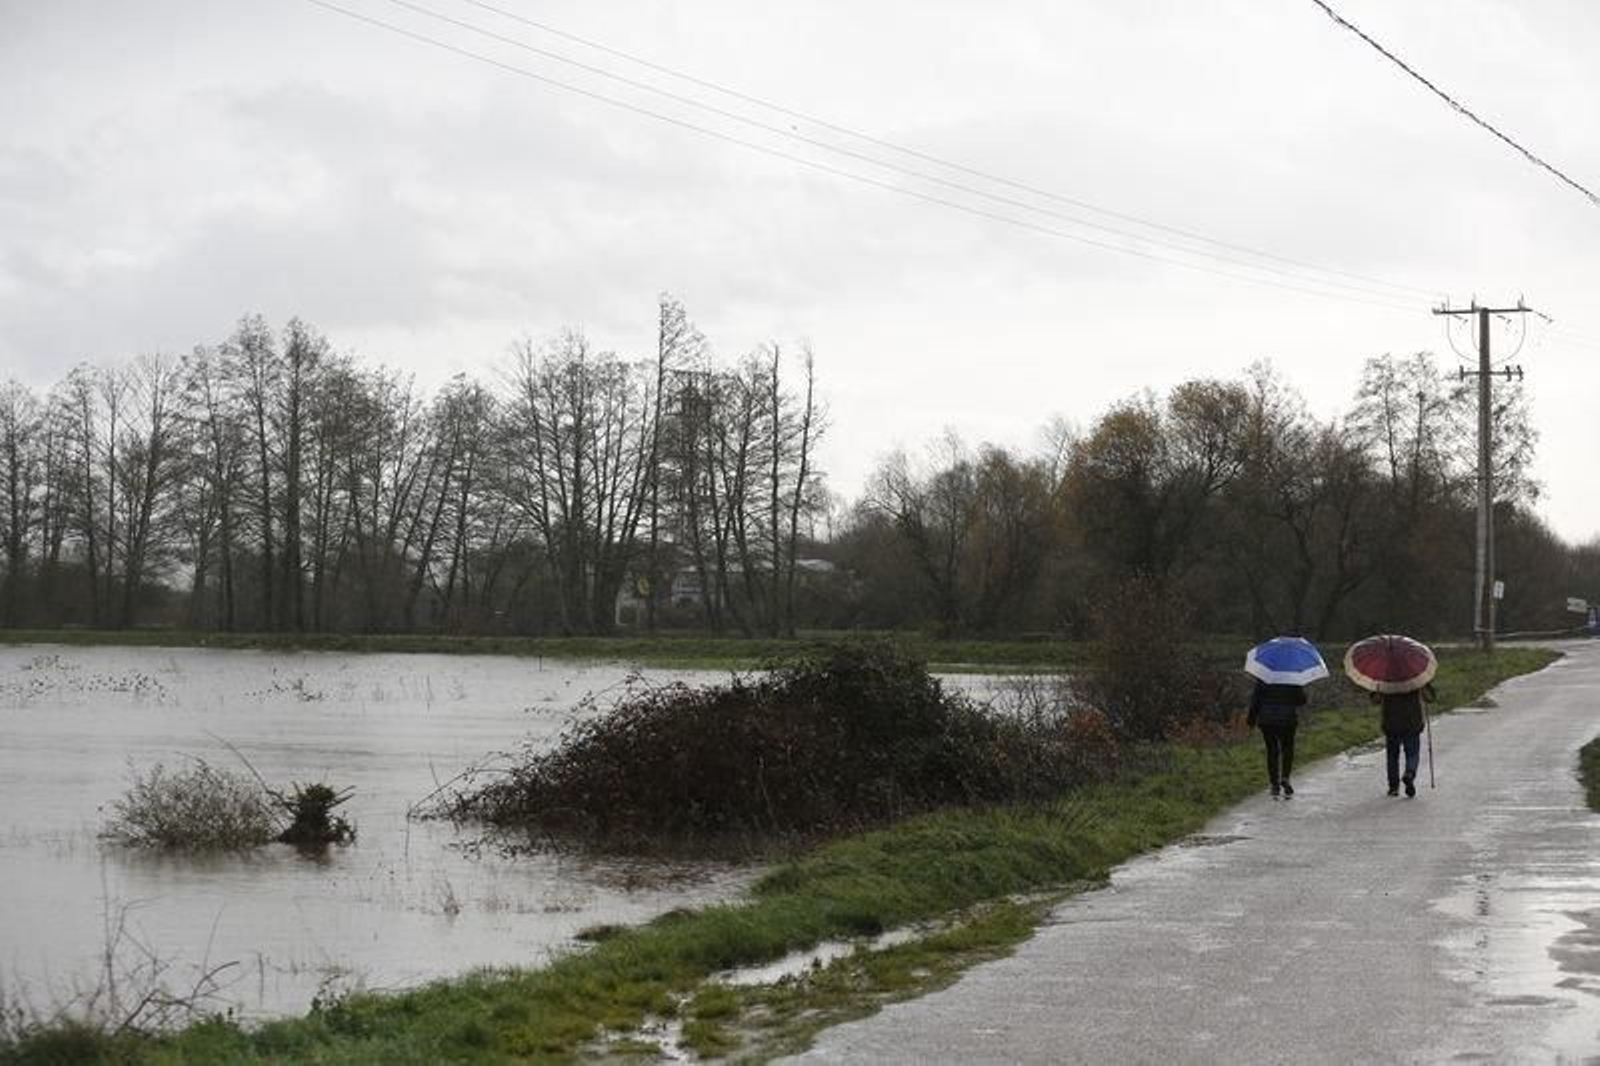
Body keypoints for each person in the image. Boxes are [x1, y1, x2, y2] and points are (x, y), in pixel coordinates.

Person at [1373, 683, 1435, 797]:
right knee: (1412, 753)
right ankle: (1409, 773)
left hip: (1391, 722)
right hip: (1412, 722)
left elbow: (1375, 700)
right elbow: (1430, 697)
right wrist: (1424, 686)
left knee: (1392, 756)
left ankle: (1393, 788)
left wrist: (1378, 691)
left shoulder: (1385, 678)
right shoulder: (1415, 676)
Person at [1247, 680, 1307, 798]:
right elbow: (1301, 701)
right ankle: (1285, 778)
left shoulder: (1263, 678)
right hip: (1288, 719)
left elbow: (1256, 701)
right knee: (1287, 748)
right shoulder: (1292, 678)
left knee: (1272, 750)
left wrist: (1251, 719)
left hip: (1267, 720)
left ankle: (1274, 784)